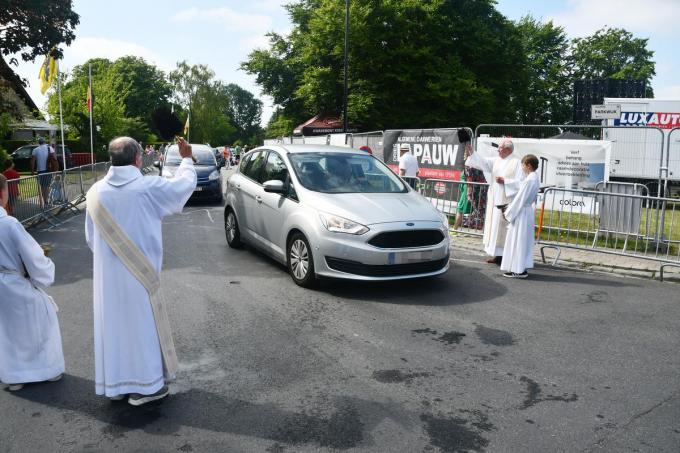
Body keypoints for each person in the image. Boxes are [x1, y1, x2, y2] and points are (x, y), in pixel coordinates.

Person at [85, 136, 197, 406]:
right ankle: (146, 388)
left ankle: (117, 386)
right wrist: (186, 158)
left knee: (115, 329)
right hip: (139, 275)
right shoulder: (147, 187)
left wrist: (110, 259)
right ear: (138, 158)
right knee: (141, 329)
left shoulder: (95, 192)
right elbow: (183, 186)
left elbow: (91, 238)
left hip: (108, 277)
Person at [0, 174, 65, 392]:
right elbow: (33, 256)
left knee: (6, 329)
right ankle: (48, 370)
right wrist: (44, 271)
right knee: (42, 317)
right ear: (3, 193)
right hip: (14, 283)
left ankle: (12, 375)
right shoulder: (9, 224)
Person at [465, 138, 523, 265]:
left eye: (500, 148)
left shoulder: (517, 163)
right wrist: (472, 152)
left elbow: (521, 182)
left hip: (507, 199)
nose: (498, 150)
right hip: (495, 198)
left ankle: (505, 256)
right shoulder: (496, 160)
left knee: (503, 227)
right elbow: (483, 163)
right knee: (494, 226)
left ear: (508, 149)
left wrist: (505, 181)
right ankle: (497, 255)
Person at [501, 154, 540, 278]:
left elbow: (519, 199)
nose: (522, 167)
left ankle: (518, 270)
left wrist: (508, 212)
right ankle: (519, 268)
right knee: (523, 240)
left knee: (518, 241)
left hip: (522, 212)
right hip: (526, 211)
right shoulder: (534, 178)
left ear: (529, 165)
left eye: (523, 165)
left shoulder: (529, 180)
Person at [30, 138, 55, 208]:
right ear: (44, 142)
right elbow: (54, 159)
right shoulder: (50, 148)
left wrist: (32, 171)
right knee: (47, 186)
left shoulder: (35, 150)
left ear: (39, 143)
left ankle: (45, 201)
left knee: (43, 186)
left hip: (40, 170)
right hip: (49, 169)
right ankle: (47, 201)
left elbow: (32, 162)